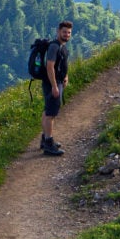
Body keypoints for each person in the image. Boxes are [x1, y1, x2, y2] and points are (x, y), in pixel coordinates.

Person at [40, 20, 72, 156]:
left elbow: (62, 64)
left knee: (47, 111)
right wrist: (54, 86)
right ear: (58, 31)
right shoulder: (54, 47)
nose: (67, 35)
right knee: (51, 114)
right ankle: (49, 143)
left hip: (57, 81)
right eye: (64, 32)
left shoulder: (61, 46)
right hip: (52, 83)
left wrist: (66, 76)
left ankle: (44, 139)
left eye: (69, 32)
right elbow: (50, 66)